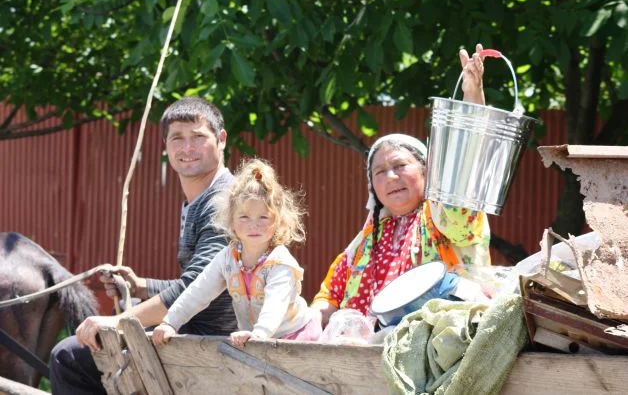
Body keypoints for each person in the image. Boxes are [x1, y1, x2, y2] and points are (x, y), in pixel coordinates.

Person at [50, 97, 238, 395]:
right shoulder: (201, 200)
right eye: (177, 138)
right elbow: (204, 282)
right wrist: (140, 287)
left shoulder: (225, 204)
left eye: (198, 137)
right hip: (194, 328)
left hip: (211, 339)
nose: (187, 148)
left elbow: (193, 290)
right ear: (166, 145)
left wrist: (116, 321)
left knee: (69, 357)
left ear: (221, 139)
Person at [311, 45, 491, 326]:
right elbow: (330, 297)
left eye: (400, 166)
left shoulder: (444, 216)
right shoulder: (366, 241)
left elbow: (464, 170)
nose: (391, 177)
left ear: (426, 171)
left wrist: (472, 94)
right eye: (379, 172)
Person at [152, 159, 321, 348]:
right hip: (254, 339)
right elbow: (199, 291)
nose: (253, 224)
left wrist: (260, 333)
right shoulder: (228, 258)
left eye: (263, 217)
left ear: (278, 221)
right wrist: (170, 322)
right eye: (244, 217)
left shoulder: (279, 262)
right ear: (231, 221)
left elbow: (275, 304)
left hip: (293, 336)